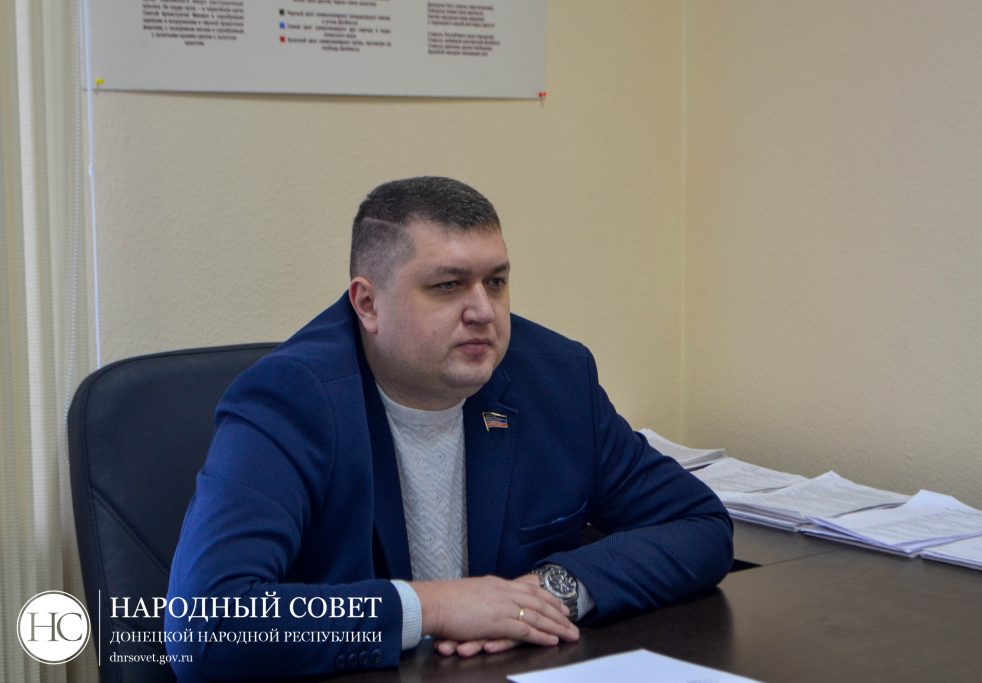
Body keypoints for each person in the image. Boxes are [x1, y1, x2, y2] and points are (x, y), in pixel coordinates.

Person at [166, 176, 732, 680]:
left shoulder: (554, 377)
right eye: (448, 285)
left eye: (496, 282)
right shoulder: (292, 398)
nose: (483, 310)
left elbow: (699, 523)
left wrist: (550, 591)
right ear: (368, 304)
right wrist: (434, 607)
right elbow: (206, 626)